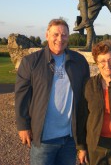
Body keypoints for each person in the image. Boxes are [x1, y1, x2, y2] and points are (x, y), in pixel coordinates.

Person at [14, 18, 90, 165]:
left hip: (69, 138)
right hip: (43, 138)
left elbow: (86, 98)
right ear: (47, 35)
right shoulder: (31, 62)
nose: (60, 39)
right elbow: (21, 97)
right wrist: (23, 126)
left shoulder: (79, 62)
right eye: (55, 34)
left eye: (64, 35)